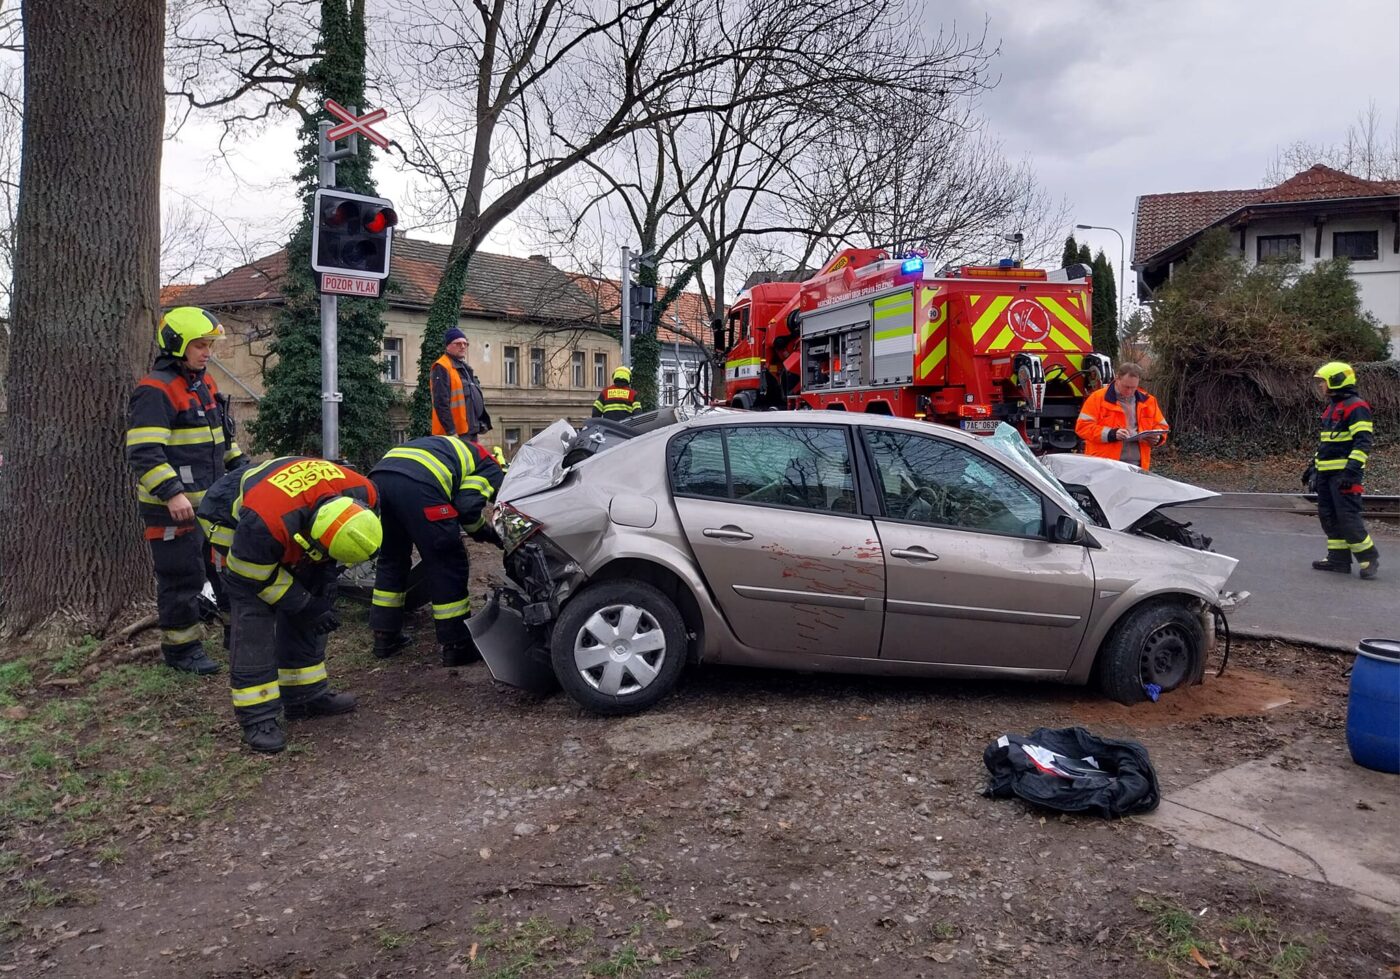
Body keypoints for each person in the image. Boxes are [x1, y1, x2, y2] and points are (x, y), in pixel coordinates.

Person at [198, 457, 381, 753]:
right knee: (255, 613)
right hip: (227, 517)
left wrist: (320, 582)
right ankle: (257, 717)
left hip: (287, 513)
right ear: (311, 536)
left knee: (316, 593)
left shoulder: (366, 492)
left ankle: (305, 695)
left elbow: (324, 560)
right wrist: (304, 603)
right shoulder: (265, 521)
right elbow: (249, 574)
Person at [126, 306, 246, 675]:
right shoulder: (155, 390)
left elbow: (220, 439)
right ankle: (181, 650)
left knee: (227, 571)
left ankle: (237, 635)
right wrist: (172, 493)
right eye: (199, 345)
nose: (207, 351)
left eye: (209, 344)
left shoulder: (203, 382)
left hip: (210, 505)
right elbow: (144, 451)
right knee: (182, 579)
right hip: (171, 508)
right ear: (177, 344)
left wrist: (242, 473)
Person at [368, 435, 506, 666]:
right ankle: (457, 645)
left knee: (392, 559)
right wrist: (488, 534)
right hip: (420, 484)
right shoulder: (491, 469)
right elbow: (467, 509)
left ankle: (384, 637)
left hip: (380, 477)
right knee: (447, 560)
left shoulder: (459, 450)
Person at [1304, 361, 1378, 580]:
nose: (1321, 386)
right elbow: (1328, 444)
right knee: (1328, 516)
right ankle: (1338, 559)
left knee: (1347, 517)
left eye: (1323, 382)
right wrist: (1313, 467)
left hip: (1344, 475)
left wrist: (1351, 472)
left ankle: (1368, 558)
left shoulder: (1356, 407)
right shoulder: (1334, 406)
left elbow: (1363, 442)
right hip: (1327, 475)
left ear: (1336, 381)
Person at [1074, 362, 1169, 470]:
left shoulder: (1149, 401)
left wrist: (1158, 438)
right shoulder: (1097, 398)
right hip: (1104, 466)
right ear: (1117, 378)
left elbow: (1162, 427)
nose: (1129, 391)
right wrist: (1111, 434)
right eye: (1126, 387)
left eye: (1133, 388)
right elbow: (1082, 427)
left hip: (1138, 467)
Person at [430, 328, 490, 437]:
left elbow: (471, 398)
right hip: (456, 434)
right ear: (448, 346)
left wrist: (481, 422)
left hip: (470, 431)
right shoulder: (442, 367)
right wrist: (451, 431)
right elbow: (441, 403)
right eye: (458, 343)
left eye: (465, 344)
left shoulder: (464, 368)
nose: (462, 346)